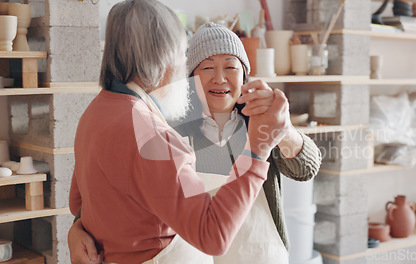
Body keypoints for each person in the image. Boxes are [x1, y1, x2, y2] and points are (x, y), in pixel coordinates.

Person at [68, 20, 322, 264]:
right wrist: (78, 227)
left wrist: (284, 130)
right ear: (189, 79)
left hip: (262, 255)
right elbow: (116, 185)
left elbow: (305, 169)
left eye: (231, 67)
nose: (220, 78)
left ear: (245, 75)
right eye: (207, 67)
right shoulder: (169, 128)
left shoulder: (260, 122)